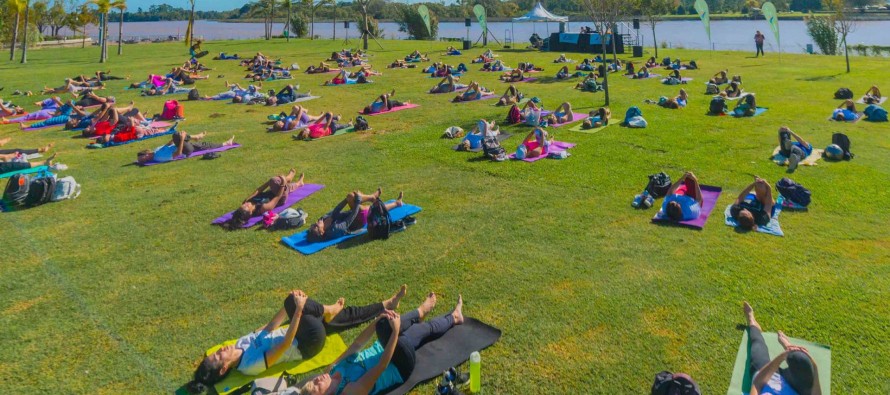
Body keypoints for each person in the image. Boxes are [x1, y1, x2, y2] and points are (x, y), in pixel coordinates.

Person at [187, 287, 409, 394]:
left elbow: (268, 328)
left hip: (298, 329)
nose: (220, 350)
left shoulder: (240, 344)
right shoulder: (249, 365)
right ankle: (328, 310)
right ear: (224, 369)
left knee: (342, 316)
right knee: (297, 304)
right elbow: (284, 345)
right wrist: (298, 311)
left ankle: (386, 304)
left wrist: (287, 309)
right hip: (305, 343)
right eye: (218, 355)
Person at [299, 294, 465, 395]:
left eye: (313, 381)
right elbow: (382, 365)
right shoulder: (349, 391)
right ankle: (440, 315)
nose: (317, 378)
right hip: (398, 365)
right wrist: (394, 332)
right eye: (317, 386)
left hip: (382, 347)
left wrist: (377, 320)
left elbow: (357, 344)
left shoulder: (331, 370)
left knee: (385, 323)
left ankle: (433, 314)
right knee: (401, 329)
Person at [741, 302, 822, 395]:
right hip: (794, 387)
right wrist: (814, 368)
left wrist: (782, 357)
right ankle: (789, 348)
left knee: (757, 344)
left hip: (765, 378)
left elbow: (757, 383)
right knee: (799, 358)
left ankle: (753, 323)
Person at [218, 169, 307, 229]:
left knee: (274, 182)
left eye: (243, 205)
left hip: (272, 192)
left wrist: (268, 182)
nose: (246, 204)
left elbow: (258, 190)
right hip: (280, 198)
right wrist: (283, 182)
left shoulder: (247, 201)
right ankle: (288, 178)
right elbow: (277, 197)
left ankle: (299, 183)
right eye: (246, 206)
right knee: (276, 182)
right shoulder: (263, 208)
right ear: (250, 212)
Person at [306, 188, 404, 242]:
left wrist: (346, 200)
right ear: (322, 232)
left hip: (351, 214)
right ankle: (396, 203)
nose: (315, 223)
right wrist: (357, 202)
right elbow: (351, 218)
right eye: (316, 226)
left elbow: (336, 211)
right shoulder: (334, 229)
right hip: (359, 219)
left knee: (350, 196)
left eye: (314, 224)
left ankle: (372, 197)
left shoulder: (323, 220)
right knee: (373, 209)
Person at [136, 131, 235, 164]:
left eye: (142, 158)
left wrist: (176, 140)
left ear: (146, 153)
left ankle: (226, 143)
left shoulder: (156, 150)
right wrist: (182, 139)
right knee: (177, 135)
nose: (143, 160)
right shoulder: (159, 158)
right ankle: (196, 136)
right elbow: (178, 154)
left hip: (181, 145)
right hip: (184, 151)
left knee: (204, 145)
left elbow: (167, 144)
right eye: (142, 160)